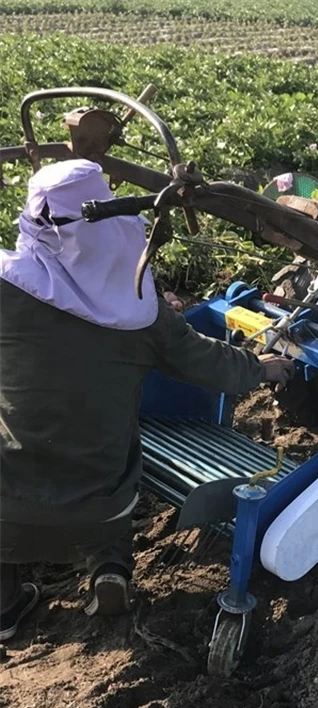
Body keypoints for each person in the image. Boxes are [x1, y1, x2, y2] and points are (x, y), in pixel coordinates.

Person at [0, 159, 295, 641]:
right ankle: (109, 570)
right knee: (114, 445)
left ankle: (5, 609)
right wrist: (259, 368)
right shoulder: (141, 312)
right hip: (100, 507)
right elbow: (207, 363)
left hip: (7, 506)